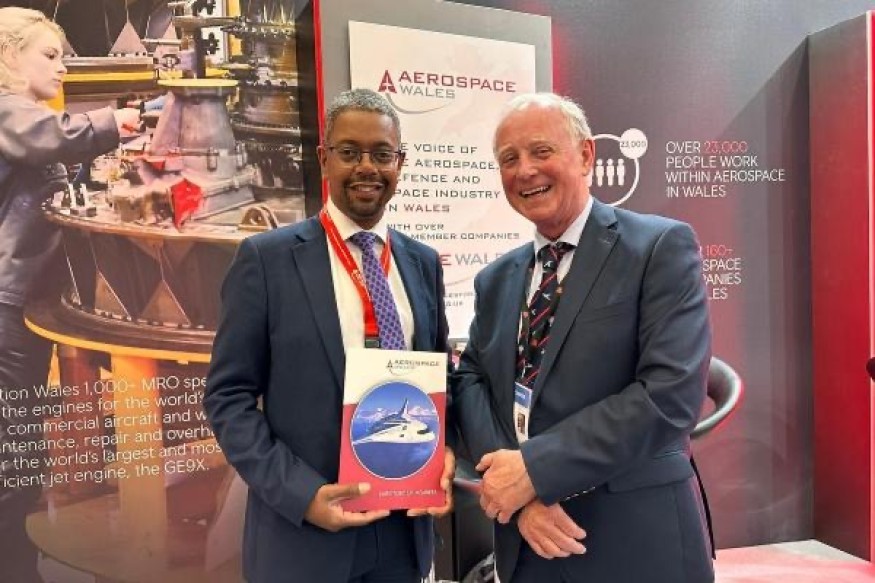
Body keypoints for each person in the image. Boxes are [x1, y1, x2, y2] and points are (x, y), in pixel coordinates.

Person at [451, 93, 713, 583]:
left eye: (541, 151)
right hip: (527, 542)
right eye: (509, 159)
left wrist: (535, 470)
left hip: (633, 541)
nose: (525, 170)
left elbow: (670, 396)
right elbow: (471, 379)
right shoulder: (496, 279)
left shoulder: (658, 247)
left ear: (587, 155)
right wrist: (514, 487)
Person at [204, 88, 454, 583]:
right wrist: (302, 496)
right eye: (350, 152)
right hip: (305, 540)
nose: (367, 168)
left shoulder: (422, 263)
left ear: (400, 163)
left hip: (403, 536)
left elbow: (439, 377)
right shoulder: (266, 260)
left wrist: (445, 451)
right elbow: (228, 397)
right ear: (324, 158)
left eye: (382, 154)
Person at [0, 7, 140, 582]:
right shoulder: (8, 110)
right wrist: (120, 121)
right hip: (6, 300)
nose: (62, 68)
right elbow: (51, 138)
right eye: (50, 55)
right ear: (7, 54)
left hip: (20, 298)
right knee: (14, 441)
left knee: (22, 435)